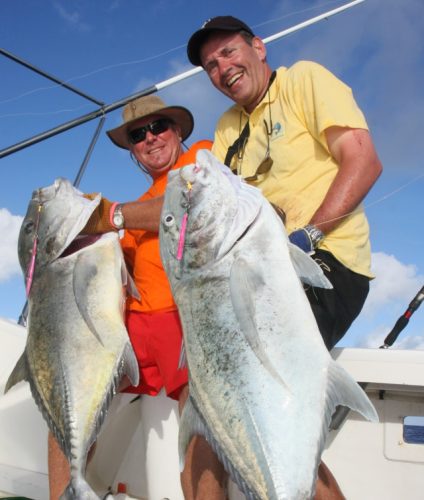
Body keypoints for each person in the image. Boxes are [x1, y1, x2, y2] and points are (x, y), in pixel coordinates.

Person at [186, 15, 383, 499]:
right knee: (211, 414)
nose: (222, 68)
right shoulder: (227, 127)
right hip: (261, 279)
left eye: (229, 52)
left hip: (325, 267)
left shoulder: (304, 81)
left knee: (239, 417)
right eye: (211, 65)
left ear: (259, 46)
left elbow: (363, 160)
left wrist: (308, 235)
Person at [47, 95, 227, 500]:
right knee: (67, 408)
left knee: (198, 429)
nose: (150, 138)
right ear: (131, 148)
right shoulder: (136, 206)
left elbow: (187, 206)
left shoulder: (201, 156)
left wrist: (110, 215)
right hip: (126, 329)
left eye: (158, 126)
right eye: (137, 134)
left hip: (182, 316)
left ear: (178, 131)